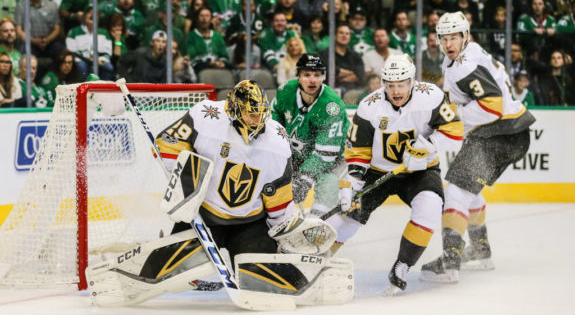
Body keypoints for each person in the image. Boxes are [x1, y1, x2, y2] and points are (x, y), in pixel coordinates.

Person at [324, 54, 463, 294]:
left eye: (401, 85)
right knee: (346, 217)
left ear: (412, 82)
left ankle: (402, 266)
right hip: (377, 173)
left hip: (420, 171)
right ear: (382, 84)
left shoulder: (432, 97)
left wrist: (430, 144)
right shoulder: (369, 106)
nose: (396, 91)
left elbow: (455, 129)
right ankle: (320, 260)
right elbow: (358, 152)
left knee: (431, 206)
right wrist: (352, 183)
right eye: (390, 85)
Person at [419, 12, 536, 283]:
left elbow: (491, 106)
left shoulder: (463, 65)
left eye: (454, 38)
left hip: (499, 132)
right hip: (511, 132)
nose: (449, 44)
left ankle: (450, 265)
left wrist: (451, 113)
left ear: (465, 36)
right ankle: (481, 251)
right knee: (469, 190)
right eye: (444, 38)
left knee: (456, 192)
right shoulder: (469, 53)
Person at [155, 80, 297, 265]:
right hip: (203, 216)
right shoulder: (206, 115)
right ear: (236, 109)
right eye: (251, 114)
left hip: (250, 222)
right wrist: (187, 177)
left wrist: (284, 235)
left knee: (262, 277)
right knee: (166, 268)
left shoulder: (278, 141)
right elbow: (167, 142)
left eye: (261, 114)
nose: (258, 120)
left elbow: (279, 194)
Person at [271, 54, 349, 217]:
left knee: (327, 190)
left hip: (332, 160)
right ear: (298, 77)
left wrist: (303, 181)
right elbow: (274, 130)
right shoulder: (285, 92)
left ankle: (318, 225)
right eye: (307, 75)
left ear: (323, 77)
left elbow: (325, 154)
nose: (312, 80)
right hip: (297, 156)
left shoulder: (331, 105)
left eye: (317, 75)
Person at [66, 6, 115, 81]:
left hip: (99, 61)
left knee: (108, 67)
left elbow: (108, 52)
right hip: (81, 61)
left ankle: (102, 89)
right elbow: (71, 51)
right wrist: (87, 59)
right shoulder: (74, 32)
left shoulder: (104, 33)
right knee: (82, 66)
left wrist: (100, 60)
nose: (92, 15)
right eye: (89, 13)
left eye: (95, 14)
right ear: (84, 16)